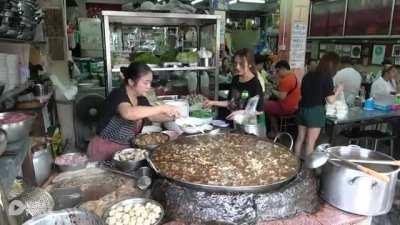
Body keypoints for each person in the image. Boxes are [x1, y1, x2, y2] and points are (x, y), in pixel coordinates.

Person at [87, 63, 181, 161]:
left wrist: (174, 117)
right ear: (131, 82)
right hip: (104, 149)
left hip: (125, 150)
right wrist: (162, 108)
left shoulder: (141, 98)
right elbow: (128, 113)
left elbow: (153, 117)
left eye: (150, 83)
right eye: (145, 83)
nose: (149, 87)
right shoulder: (118, 94)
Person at [294, 52, 344, 158]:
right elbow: (330, 100)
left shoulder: (308, 74)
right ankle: (308, 171)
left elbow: (306, 92)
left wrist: (331, 91)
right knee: (310, 142)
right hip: (315, 112)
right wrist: (338, 91)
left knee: (300, 138)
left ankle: (295, 164)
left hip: (302, 109)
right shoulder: (327, 77)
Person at [204, 48, 264, 120]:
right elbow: (231, 102)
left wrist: (240, 113)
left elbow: (259, 111)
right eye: (235, 63)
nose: (237, 67)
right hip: (233, 122)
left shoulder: (255, 84)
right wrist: (212, 102)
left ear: (250, 64)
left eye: (241, 64)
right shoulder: (235, 79)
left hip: (247, 124)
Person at [264, 60, 300, 138]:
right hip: (294, 106)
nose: (277, 73)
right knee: (270, 109)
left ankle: (274, 132)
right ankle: (275, 131)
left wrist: (272, 90)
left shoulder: (286, 80)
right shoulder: (293, 76)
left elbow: (282, 96)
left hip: (286, 107)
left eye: (278, 71)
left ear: (283, 69)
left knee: (263, 105)